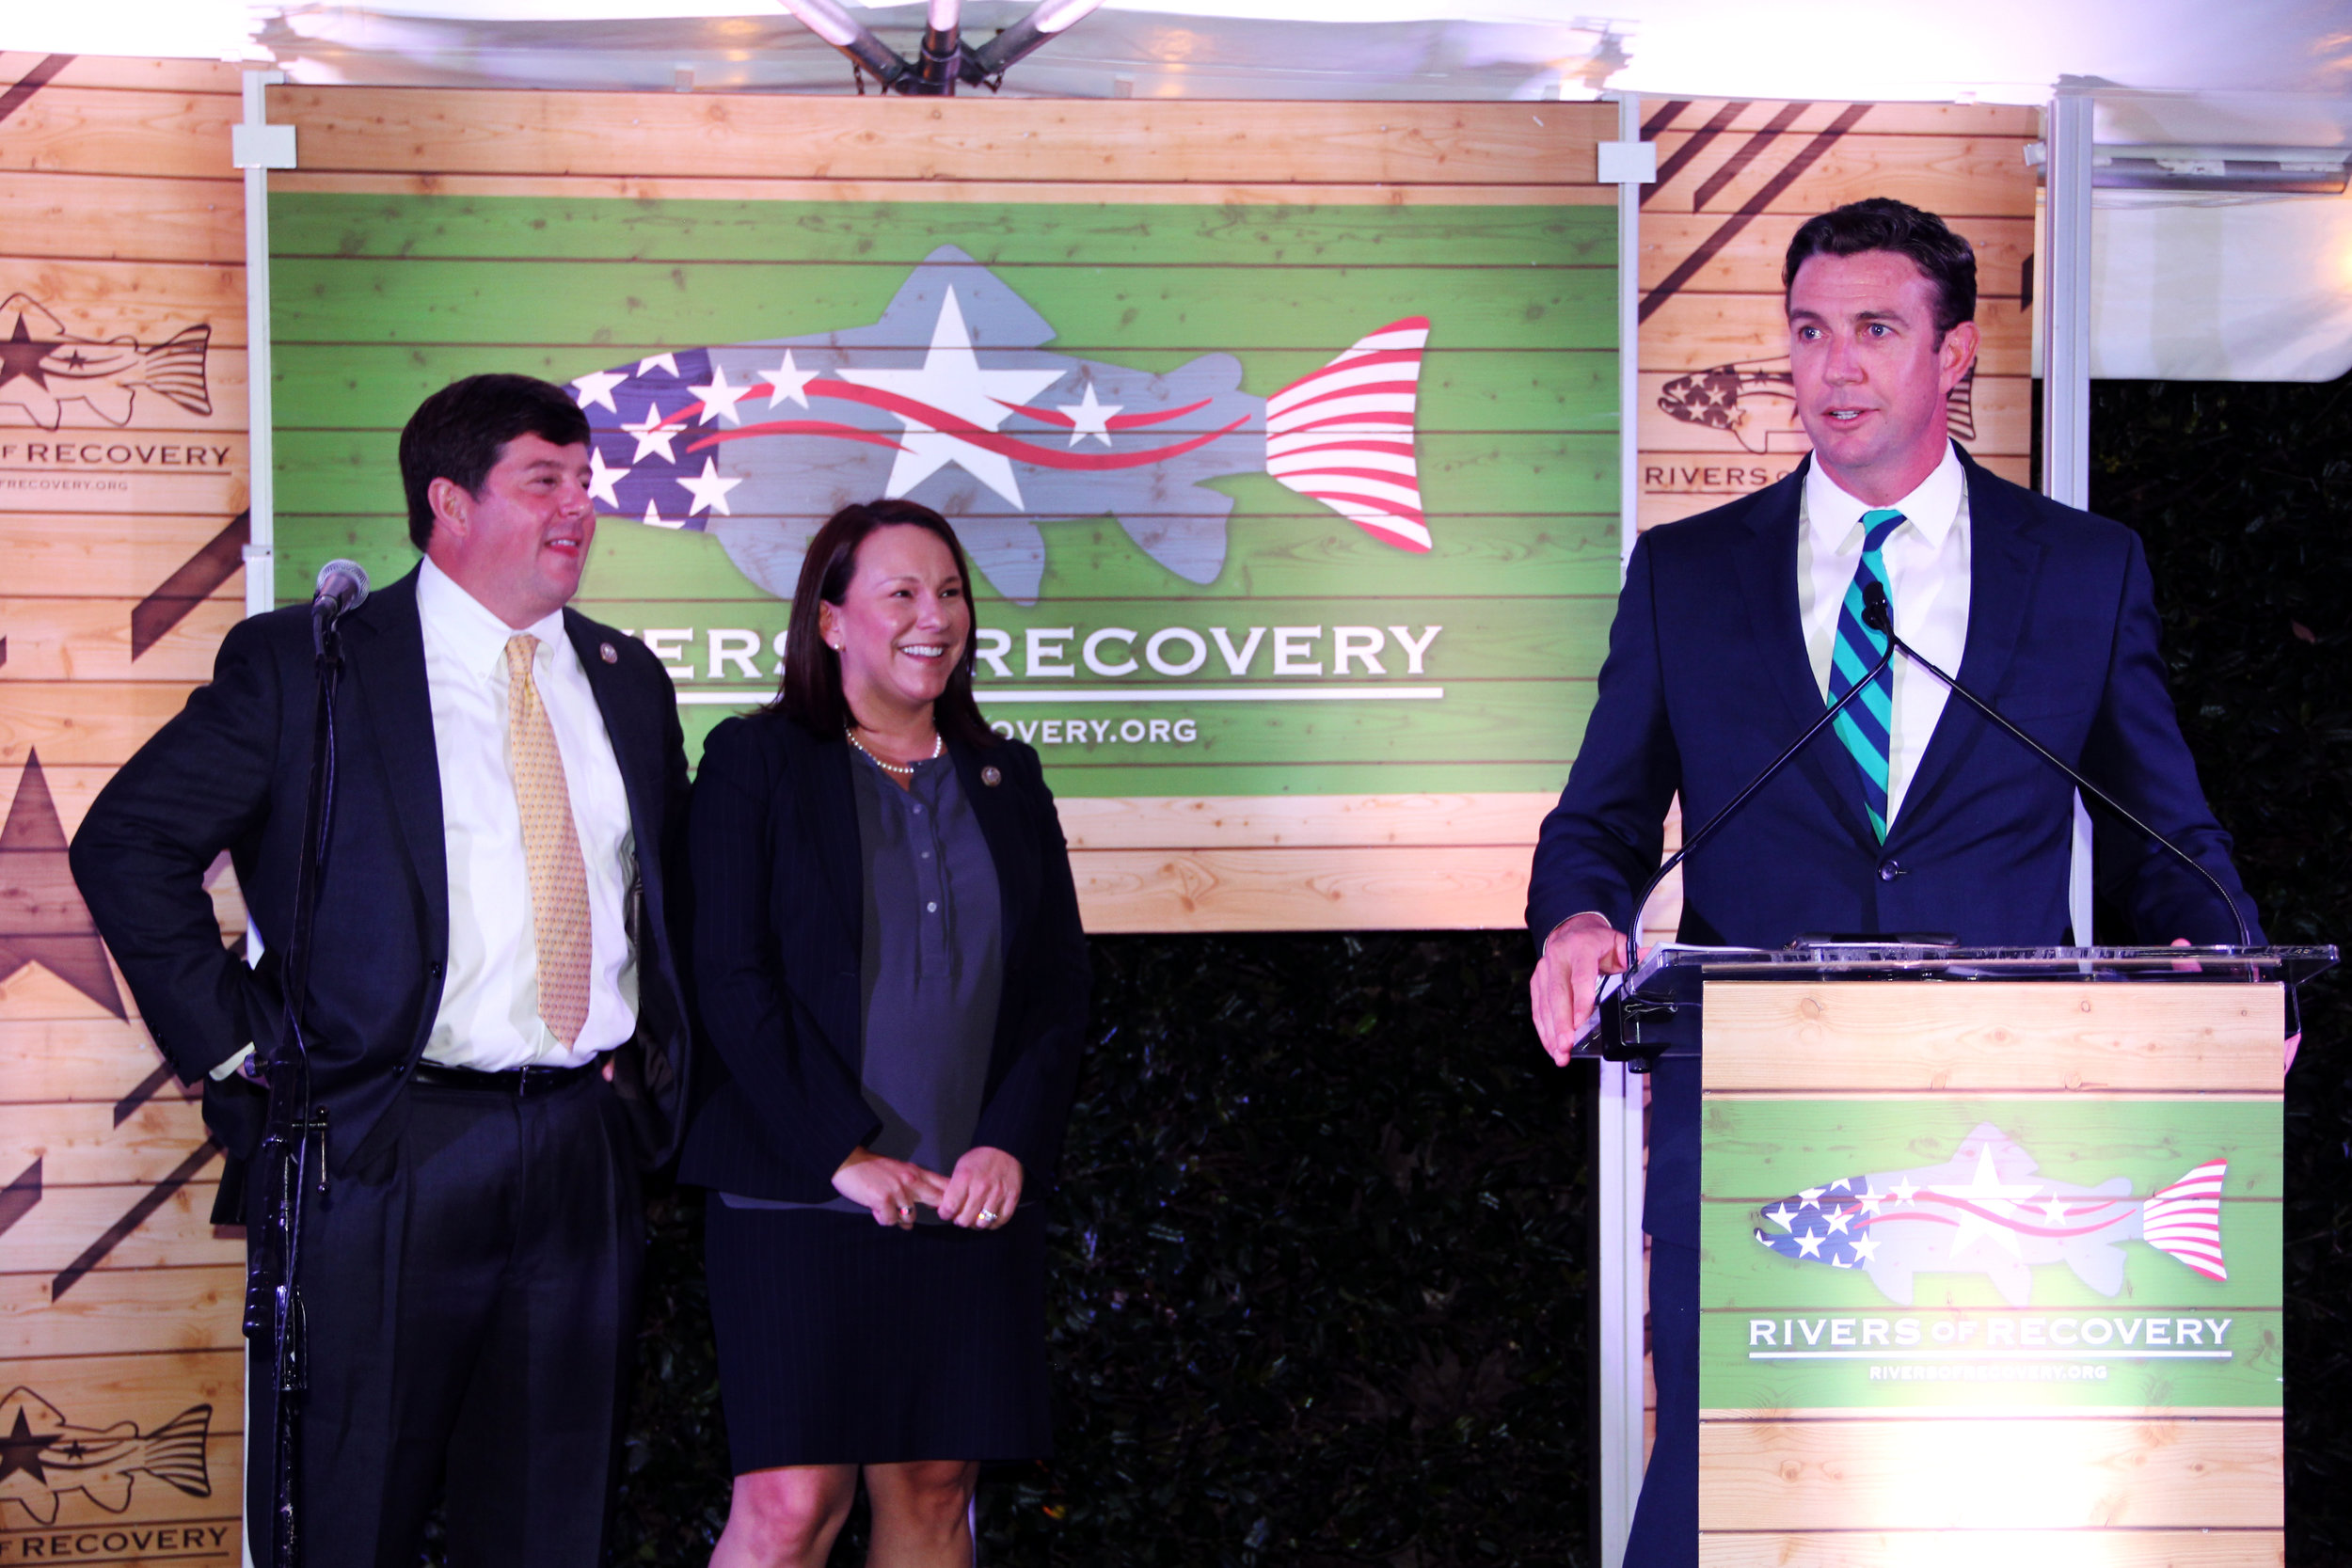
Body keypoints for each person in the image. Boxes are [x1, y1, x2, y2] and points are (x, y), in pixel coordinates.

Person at [1524, 198, 2263, 1565]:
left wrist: (2228, 966)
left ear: (1956, 352)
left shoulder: (2086, 571)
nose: (1833, 366)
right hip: (1752, 1114)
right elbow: (1602, 816)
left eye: (1874, 328)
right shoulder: (1687, 575)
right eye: (1809, 331)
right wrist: (1579, 911)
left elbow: (2168, 830)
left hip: (2007, 1126)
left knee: (1976, 1513)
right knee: (1731, 1491)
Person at [69, 374, 692, 1567]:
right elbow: (126, 842)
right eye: (544, 481)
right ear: (448, 501)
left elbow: (655, 899)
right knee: (348, 1516)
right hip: (378, 1146)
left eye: (586, 482)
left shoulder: (625, 676)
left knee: (553, 1519)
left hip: (579, 1146)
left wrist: (647, 1094)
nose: (578, 509)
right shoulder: (313, 665)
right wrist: (240, 1041)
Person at [686, 499, 1089, 1568]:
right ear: (830, 621)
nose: (935, 615)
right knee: (790, 1502)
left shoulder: (1009, 777)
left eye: (950, 591)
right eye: (901, 591)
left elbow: (1056, 987)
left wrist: (1008, 1141)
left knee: (933, 1484)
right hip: (793, 1192)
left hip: (964, 1193)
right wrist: (842, 1154)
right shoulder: (754, 760)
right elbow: (728, 977)